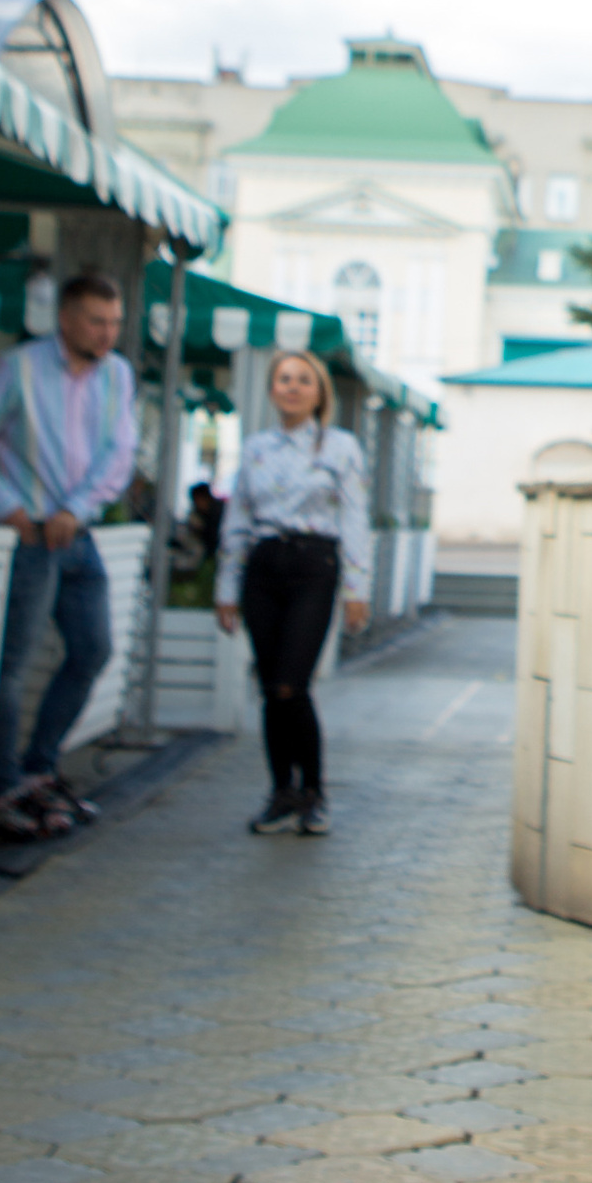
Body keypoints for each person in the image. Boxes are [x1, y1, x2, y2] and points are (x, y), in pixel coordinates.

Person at [0, 272, 139, 843]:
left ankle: (39, 767)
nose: (108, 334)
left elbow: (119, 453)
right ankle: (3, 786)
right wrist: (8, 508)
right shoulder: (18, 368)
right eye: (97, 322)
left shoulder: (118, 376)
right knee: (14, 664)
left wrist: (76, 510)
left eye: (115, 323)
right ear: (66, 320)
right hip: (30, 537)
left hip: (77, 533)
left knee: (93, 650)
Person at [216, 349, 371, 835]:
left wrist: (356, 588)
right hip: (264, 567)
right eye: (284, 379)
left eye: (304, 380)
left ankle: (314, 792)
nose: (293, 387)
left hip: (314, 567)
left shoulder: (340, 448)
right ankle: (281, 791)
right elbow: (237, 518)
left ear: (319, 391)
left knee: (292, 683)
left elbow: (354, 519)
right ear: (271, 389)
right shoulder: (256, 447)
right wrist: (226, 588)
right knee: (269, 689)